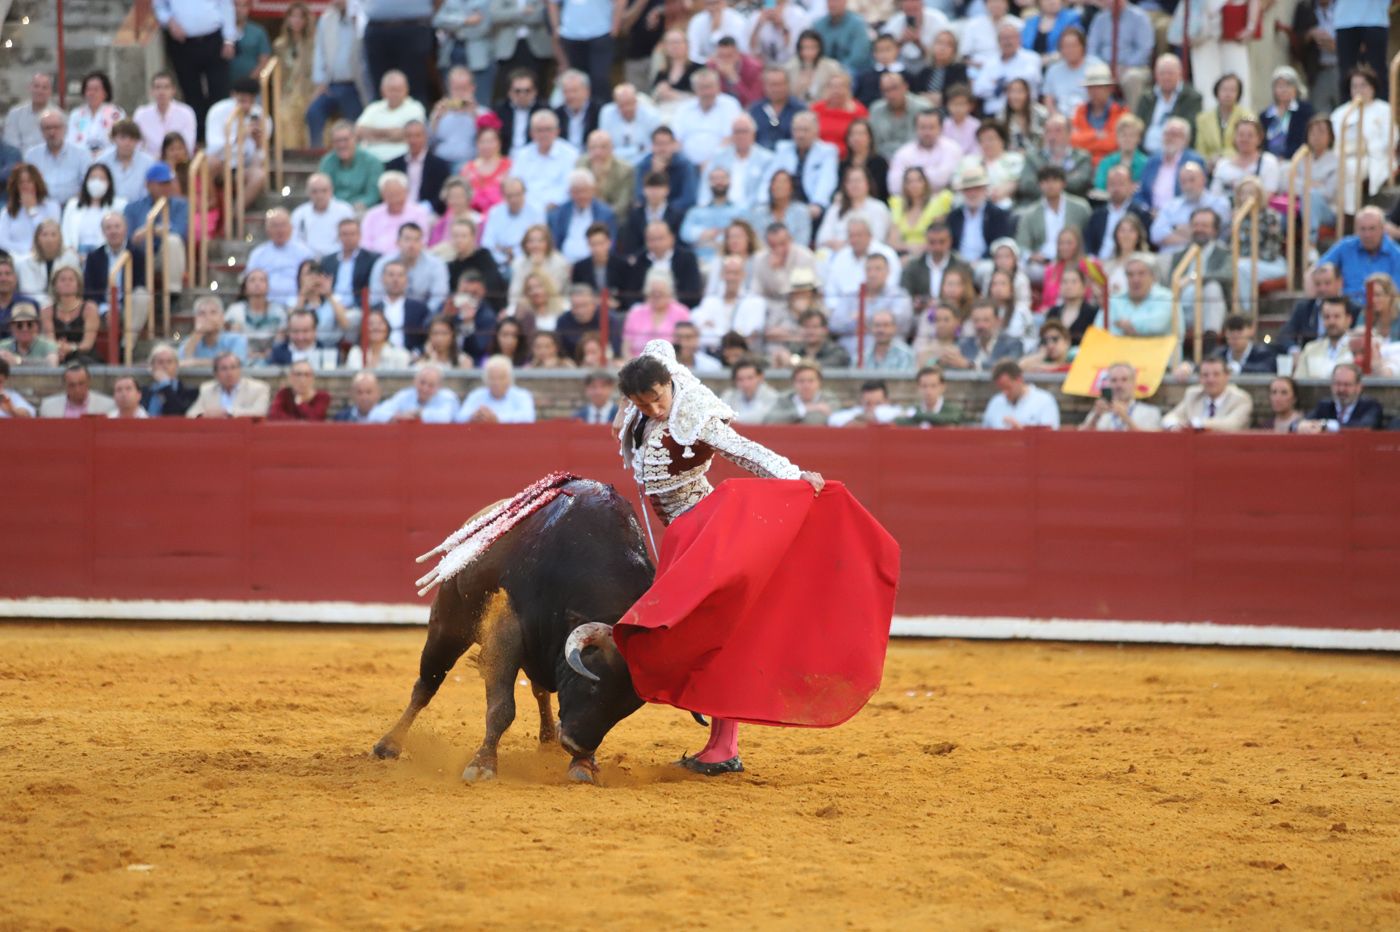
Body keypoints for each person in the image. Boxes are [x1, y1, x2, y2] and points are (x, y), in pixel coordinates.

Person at [599, 338, 882, 778]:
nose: (653, 409)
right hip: (681, 531)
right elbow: (658, 346)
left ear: (669, 385)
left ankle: (724, 744)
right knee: (708, 629)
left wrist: (793, 475)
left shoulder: (695, 414)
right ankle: (718, 737)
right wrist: (629, 396)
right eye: (641, 402)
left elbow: (742, 448)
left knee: (718, 631)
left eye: (656, 399)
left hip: (703, 528)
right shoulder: (650, 389)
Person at [154, 0, 236, 142]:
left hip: (213, 38)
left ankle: (220, 137)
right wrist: (170, 21)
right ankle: (197, 138)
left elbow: (226, 6)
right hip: (183, 42)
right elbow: (159, 6)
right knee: (191, 93)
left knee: (219, 90)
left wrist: (229, 39)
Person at [1015, 165, 1092, 285]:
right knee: (1023, 271)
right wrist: (1031, 256)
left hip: (1075, 260)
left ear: (1063, 183)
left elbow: (1090, 237)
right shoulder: (1030, 213)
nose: (1050, 185)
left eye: (1055, 180)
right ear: (1040, 185)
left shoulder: (1081, 208)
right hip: (1043, 263)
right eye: (1045, 181)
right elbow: (1021, 244)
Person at [307, 0, 365, 147]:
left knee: (353, 120)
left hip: (355, 86)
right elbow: (319, 52)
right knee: (313, 112)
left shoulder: (361, 16)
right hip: (330, 85)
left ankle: (354, 155)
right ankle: (317, 154)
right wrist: (320, 81)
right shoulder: (327, 18)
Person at [764, 112, 839, 220]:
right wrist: (764, 201)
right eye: (797, 130)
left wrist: (818, 203)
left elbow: (827, 180)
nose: (801, 135)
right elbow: (770, 176)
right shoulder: (783, 148)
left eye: (805, 130)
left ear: (816, 131)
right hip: (785, 202)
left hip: (811, 202)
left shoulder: (827, 151)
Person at [1318, 207, 1400, 304]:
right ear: (1356, 230)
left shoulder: (1396, 254)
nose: (1367, 234)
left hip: (1381, 313)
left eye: (1372, 228)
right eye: (1363, 229)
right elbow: (1316, 271)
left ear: (1383, 229)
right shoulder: (1345, 247)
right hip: (1347, 311)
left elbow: (1396, 295)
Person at [1134, 55, 1203, 155]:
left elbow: (1191, 129)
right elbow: (1138, 124)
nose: (1166, 77)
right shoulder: (1147, 97)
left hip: (1177, 153)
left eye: (1170, 73)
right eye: (1162, 73)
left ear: (1180, 74)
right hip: (1145, 153)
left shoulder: (1192, 98)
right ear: (1156, 75)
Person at [972, 20, 1042, 118]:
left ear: (1019, 39)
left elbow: (1028, 80)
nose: (1007, 41)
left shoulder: (1032, 58)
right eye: (1004, 38)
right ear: (998, 41)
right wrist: (1004, 85)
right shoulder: (990, 62)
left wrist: (999, 83)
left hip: (1023, 113)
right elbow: (978, 89)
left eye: (1011, 37)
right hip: (993, 114)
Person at [1162, 357, 1253, 431]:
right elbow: (1170, 417)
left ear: (1227, 376)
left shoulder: (1241, 398)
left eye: (1216, 374)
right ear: (1200, 378)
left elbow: (1232, 425)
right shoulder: (1193, 394)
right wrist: (1174, 426)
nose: (1210, 380)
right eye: (1205, 375)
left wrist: (1197, 424)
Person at [355, 71, 427, 164]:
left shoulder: (415, 107)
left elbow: (405, 134)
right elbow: (358, 131)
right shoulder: (373, 108)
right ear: (383, 91)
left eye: (399, 90)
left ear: (406, 89)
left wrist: (374, 137)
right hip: (370, 161)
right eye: (392, 90)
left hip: (402, 161)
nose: (395, 94)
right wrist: (391, 135)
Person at [25, 109, 93, 207]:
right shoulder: (32, 155)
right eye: (47, 128)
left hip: (74, 207)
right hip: (42, 207)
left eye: (56, 127)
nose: (52, 132)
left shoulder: (82, 154)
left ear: (65, 129)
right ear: (41, 131)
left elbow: (88, 184)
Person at [886, 109, 961, 196]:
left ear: (941, 128)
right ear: (915, 128)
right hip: (912, 205)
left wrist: (912, 179)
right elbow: (894, 187)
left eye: (931, 127)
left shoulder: (952, 148)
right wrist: (934, 174)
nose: (927, 132)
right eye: (923, 127)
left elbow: (945, 179)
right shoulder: (903, 153)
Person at [1096, 253, 1172, 337]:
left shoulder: (1166, 297)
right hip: (1120, 349)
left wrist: (1126, 325)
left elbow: (1157, 325)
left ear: (1153, 276)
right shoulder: (1114, 300)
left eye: (1141, 273)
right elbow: (1098, 330)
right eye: (1130, 274)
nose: (1135, 279)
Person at [361, 172, 435, 256]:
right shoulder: (372, 215)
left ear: (407, 193)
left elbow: (422, 241)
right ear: (382, 195)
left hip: (408, 258)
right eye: (391, 195)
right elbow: (365, 244)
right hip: (376, 260)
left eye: (398, 194)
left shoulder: (419, 213)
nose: (395, 199)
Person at [386, 121, 452, 215]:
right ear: (404, 138)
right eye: (409, 136)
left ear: (425, 137)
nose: (413, 140)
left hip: (428, 212)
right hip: (398, 210)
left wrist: (428, 206)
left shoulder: (439, 165)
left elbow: (443, 194)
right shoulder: (393, 165)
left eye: (417, 136)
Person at [623, 269, 691, 356]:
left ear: (669, 294)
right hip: (638, 365)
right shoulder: (635, 313)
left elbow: (686, 346)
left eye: (661, 293)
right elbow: (626, 347)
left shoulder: (682, 312)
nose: (657, 297)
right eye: (653, 293)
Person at [1297, 363, 1383, 432]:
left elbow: (1365, 427)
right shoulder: (1325, 405)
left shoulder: (1370, 406)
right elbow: (1299, 423)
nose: (1341, 389)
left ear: (1359, 387)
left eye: (1347, 385)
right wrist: (1301, 425)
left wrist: (1326, 426)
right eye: (1337, 384)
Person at [1069, 64, 1126, 168]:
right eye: (1090, 88)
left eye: (1099, 87)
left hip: (1111, 166)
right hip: (1081, 164)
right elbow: (1072, 141)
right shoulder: (1080, 110)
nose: (1094, 92)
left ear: (1109, 89)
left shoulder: (1121, 112)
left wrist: (1086, 139)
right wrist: (1096, 135)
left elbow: (1113, 144)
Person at [318, 122, 383, 210]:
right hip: (333, 208)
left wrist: (352, 206)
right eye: (337, 141)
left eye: (345, 139)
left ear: (355, 139)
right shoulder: (327, 162)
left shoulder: (372, 162)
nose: (341, 145)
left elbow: (373, 195)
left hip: (361, 209)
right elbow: (322, 189)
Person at [1080, 362, 1162, 431]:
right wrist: (1095, 417)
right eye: (1114, 380)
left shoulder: (1150, 412)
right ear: (1108, 384)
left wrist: (1126, 418)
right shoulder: (1100, 411)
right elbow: (1080, 440)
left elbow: (1151, 442)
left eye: (1124, 379)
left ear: (1133, 383)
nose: (1119, 385)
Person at [981, 360, 1060, 429]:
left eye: (1008, 387)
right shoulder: (995, 402)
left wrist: (1022, 432)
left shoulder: (1044, 401)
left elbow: (1050, 439)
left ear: (1019, 379)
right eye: (1001, 389)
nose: (1005, 393)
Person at [456, 354, 535, 422]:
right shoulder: (476, 395)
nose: (496, 382)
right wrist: (473, 416)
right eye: (492, 378)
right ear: (485, 379)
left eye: (501, 378)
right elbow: (460, 417)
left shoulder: (522, 395)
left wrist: (497, 419)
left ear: (509, 379)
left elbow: (528, 417)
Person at [291, 174, 355, 258]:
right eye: (314, 191)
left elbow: (350, 238)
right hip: (308, 259)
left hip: (338, 258)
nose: (319, 195)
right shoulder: (299, 213)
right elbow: (295, 240)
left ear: (331, 190)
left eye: (324, 191)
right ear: (307, 192)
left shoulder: (345, 211)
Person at [368, 363, 459, 422]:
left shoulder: (447, 397)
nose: (425, 388)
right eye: (422, 383)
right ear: (415, 381)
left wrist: (418, 414)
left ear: (439, 386)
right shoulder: (405, 395)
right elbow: (374, 414)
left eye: (431, 385)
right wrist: (396, 416)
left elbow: (445, 418)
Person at [1292, 297, 1356, 379]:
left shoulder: (1359, 348)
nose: (1331, 322)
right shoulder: (1310, 349)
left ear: (1348, 320)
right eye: (1327, 317)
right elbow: (1299, 382)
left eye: (1337, 316)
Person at [96, 121, 156, 204]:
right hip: (108, 209)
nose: (127, 143)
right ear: (113, 138)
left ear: (137, 141)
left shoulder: (149, 163)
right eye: (122, 138)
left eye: (132, 139)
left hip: (139, 210)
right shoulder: (102, 161)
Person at [37, 362, 115, 418]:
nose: (77, 389)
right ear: (64, 385)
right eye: (72, 385)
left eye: (81, 384)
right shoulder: (48, 407)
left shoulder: (108, 405)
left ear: (89, 381)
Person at [141, 342, 198, 416]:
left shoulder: (188, 392)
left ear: (176, 366)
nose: (165, 366)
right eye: (160, 362)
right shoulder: (143, 391)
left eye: (169, 362)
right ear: (152, 366)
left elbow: (177, 413)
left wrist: (165, 385)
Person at [4, 73, 55, 154]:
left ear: (50, 91)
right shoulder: (15, 114)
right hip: (19, 162)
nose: (39, 91)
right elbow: (11, 144)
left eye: (44, 88)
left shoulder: (58, 116)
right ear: (30, 88)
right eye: (36, 86)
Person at [345, 311, 414, 370]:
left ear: (387, 328)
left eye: (380, 323)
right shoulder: (356, 352)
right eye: (370, 324)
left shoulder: (400, 354)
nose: (376, 327)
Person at [719, 357, 778, 424]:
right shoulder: (729, 395)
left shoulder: (771, 396)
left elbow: (760, 417)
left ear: (760, 377)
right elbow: (720, 415)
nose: (746, 384)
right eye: (740, 379)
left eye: (750, 378)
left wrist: (733, 420)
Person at [267, 359, 331, 420]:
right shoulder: (284, 394)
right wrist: (301, 422)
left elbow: (316, 419)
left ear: (313, 378)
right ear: (290, 377)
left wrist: (300, 403)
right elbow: (274, 416)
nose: (302, 379)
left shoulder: (322, 396)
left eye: (307, 374)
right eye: (298, 374)